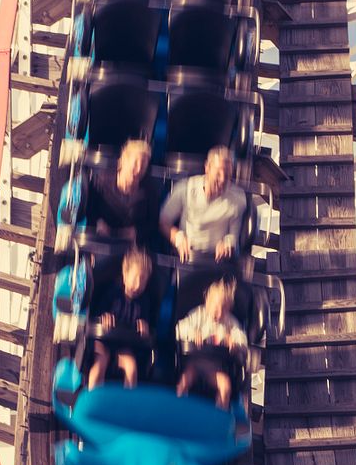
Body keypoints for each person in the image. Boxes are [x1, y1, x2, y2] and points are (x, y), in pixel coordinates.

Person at [159, 146, 247, 262]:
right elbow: (164, 222)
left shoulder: (238, 198)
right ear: (207, 168)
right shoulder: (185, 188)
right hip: (187, 254)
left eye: (227, 174)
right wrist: (178, 239)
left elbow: (233, 234)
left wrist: (227, 244)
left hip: (216, 259)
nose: (222, 179)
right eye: (218, 173)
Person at [175, 278, 247, 409]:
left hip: (214, 368)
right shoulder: (198, 315)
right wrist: (193, 333)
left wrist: (234, 342)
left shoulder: (230, 323)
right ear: (207, 302)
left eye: (224, 309)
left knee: (225, 386)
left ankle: (220, 413)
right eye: (215, 307)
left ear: (229, 309)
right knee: (185, 380)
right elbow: (179, 328)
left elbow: (242, 339)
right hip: (195, 363)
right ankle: (178, 407)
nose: (218, 312)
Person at [88, 247, 154, 390]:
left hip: (123, 345)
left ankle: (127, 405)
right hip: (104, 342)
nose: (137, 284)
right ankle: (92, 396)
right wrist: (103, 317)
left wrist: (144, 328)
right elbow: (96, 316)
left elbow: (145, 327)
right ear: (125, 274)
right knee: (101, 362)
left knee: (131, 367)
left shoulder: (145, 302)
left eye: (142, 280)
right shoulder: (112, 292)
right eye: (134, 277)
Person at [86, 139, 158, 245]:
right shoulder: (100, 182)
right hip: (102, 241)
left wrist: (137, 232)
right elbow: (88, 210)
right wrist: (97, 223)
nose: (138, 170)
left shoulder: (149, 191)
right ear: (124, 160)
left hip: (132, 247)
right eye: (135, 163)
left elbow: (153, 223)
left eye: (143, 165)